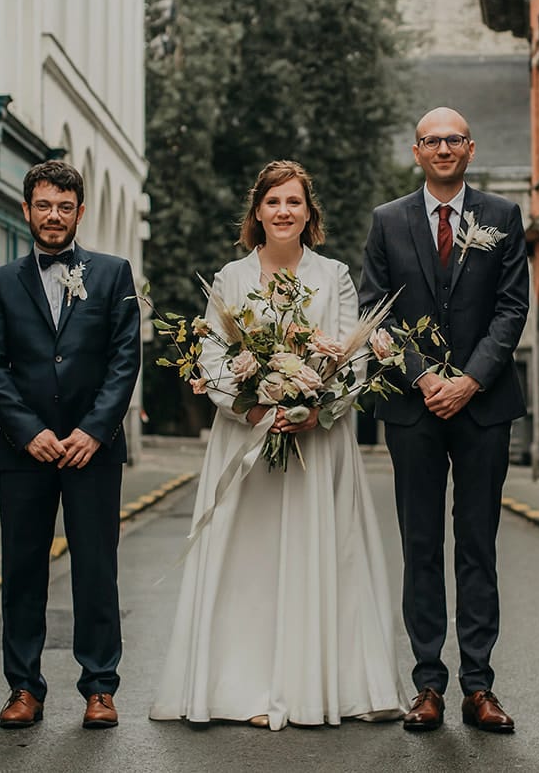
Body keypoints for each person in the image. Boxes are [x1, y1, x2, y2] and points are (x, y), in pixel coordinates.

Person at [150, 160, 404, 731]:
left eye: (294, 202)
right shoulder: (230, 277)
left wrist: (317, 407)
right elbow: (213, 356)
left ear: (309, 213)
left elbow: (351, 356)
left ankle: (321, 685)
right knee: (249, 562)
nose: (284, 211)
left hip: (317, 443)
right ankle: (239, 684)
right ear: (257, 212)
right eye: (273, 202)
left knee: (321, 557)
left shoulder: (335, 276)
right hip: (247, 440)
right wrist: (251, 407)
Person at [357, 108, 529, 733]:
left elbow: (511, 309)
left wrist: (470, 380)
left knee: (478, 546)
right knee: (421, 546)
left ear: (470, 149)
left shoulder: (503, 216)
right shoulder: (388, 220)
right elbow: (375, 310)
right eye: (432, 140)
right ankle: (428, 683)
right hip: (414, 408)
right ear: (417, 152)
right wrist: (425, 377)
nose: (444, 148)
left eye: (454, 139)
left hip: (484, 407)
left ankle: (479, 686)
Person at [0, 160, 141, 731]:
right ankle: (24, 687)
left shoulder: (113, 274)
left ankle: (100, 687)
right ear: (26, 210)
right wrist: (29, 432)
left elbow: (125, 359)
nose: (53, 215)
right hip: (26, 454)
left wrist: (94, 430)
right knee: (23, 572)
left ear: (80, 212)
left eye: (64, 207)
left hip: (94, 451)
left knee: (96, 569)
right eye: (44, 205)